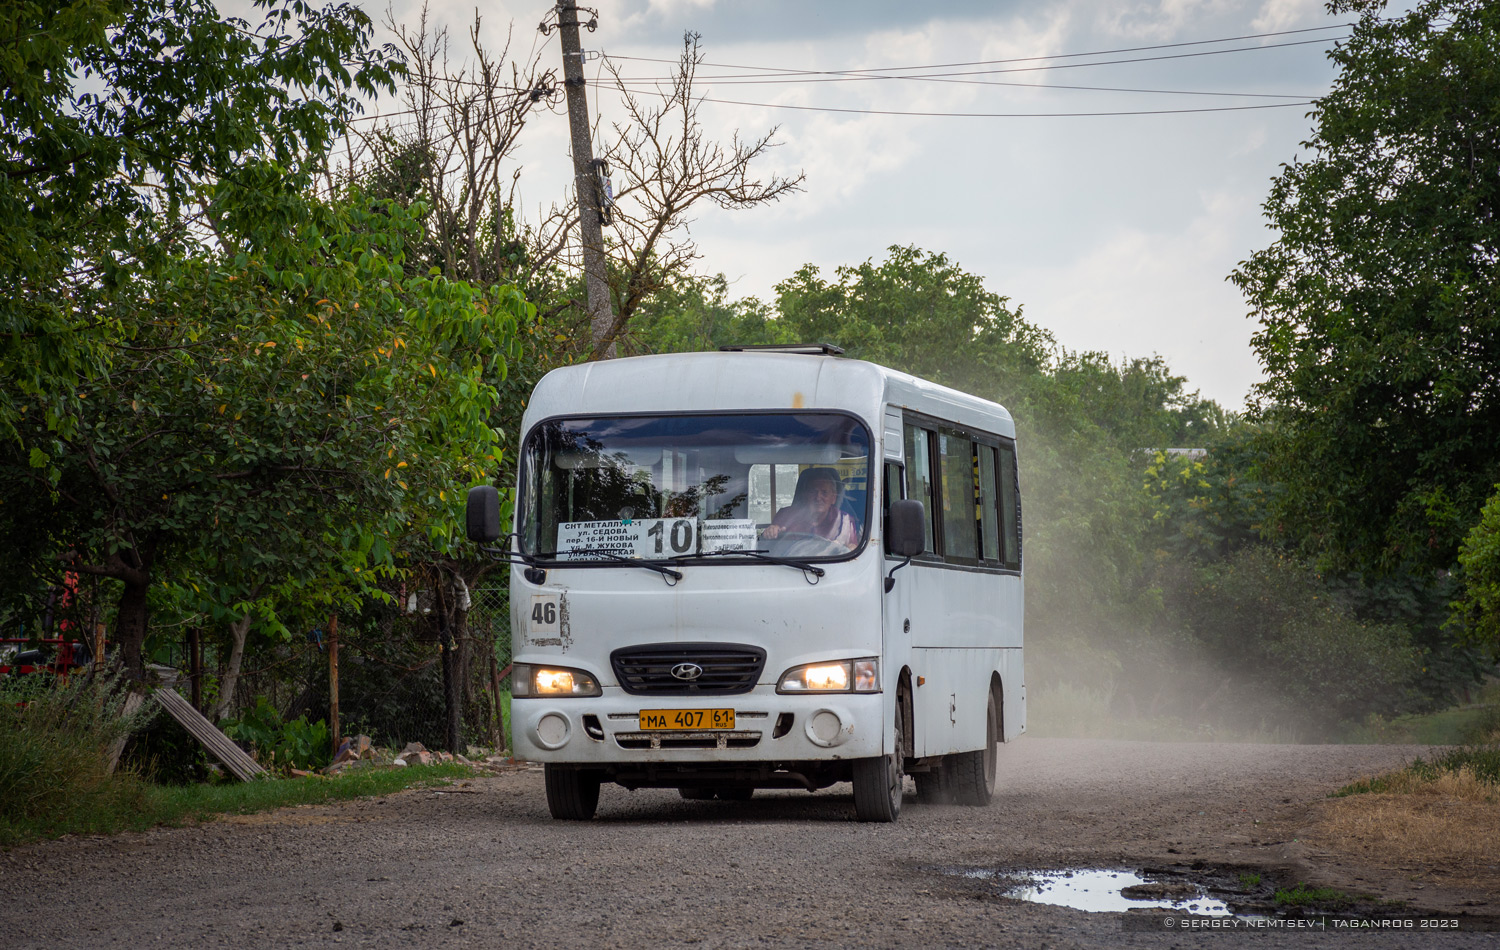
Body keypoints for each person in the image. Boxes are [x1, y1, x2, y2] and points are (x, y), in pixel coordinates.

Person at [761, 467, 859, 553]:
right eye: (813, 492)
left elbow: (853, 549)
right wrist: (770, 532)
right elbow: (770, 547)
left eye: (824, 492)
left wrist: (849, 548)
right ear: (805, 495)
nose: (818, 497)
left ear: (833, 497)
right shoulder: (785, 516)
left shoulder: (845, 520)